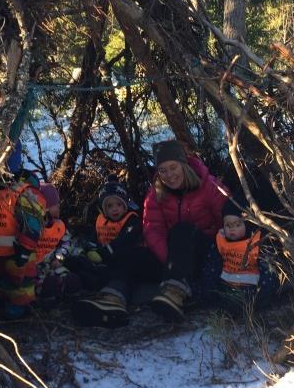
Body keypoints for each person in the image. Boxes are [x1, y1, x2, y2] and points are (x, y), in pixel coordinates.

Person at [73, 139, 229, 327]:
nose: (169, 175)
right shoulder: (156, 193)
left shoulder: (209, 187)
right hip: (171, 259)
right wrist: (171, 261)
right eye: (163, 170)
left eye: (173, 167)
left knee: (183, 230)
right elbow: (152, 229)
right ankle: (112, 299)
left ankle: (175, 293)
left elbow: (228, 223)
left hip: (204, 256)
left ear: (184, 165)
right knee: (130, 255)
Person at [71, 175, 143, 326]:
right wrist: (90, 249)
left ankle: (111, 298)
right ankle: (77, 291)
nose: (115, 209)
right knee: (77, 262)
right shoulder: (101, 220)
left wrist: (103, 252)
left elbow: (125, 241)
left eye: (118, 204)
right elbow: (93, 238)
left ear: (125, 204)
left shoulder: (132, 220)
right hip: (102, 259)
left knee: (118, 265)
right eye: (109, 206)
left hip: (123, 260)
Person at [0, 169, 46, 319]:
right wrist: (26, 250)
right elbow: (32, 224)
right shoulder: (27, 193)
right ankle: (15, 313)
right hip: (15, 251)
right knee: (21, 285)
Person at [202, 196, 279, 316]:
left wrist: (262, 297)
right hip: (226, 288)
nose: (232, 230)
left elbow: (268, 274)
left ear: (248, 224)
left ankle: (246, 309)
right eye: (228, 225)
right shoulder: (220, 240)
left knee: (243, 304)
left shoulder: (257, 242)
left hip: (251, 291)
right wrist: (209, 289)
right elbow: (212, 267)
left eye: (237, 225)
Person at [35, 183, 81, 307]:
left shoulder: (59, 226)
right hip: (35, 266)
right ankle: (47, 296)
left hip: (52, 262)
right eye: (56, 205)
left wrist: (59, 257)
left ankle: (68, 291)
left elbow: (67, 242)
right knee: (40, 280)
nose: (59, 208)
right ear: (46, 207)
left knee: (65, 275)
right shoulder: (33, 225)